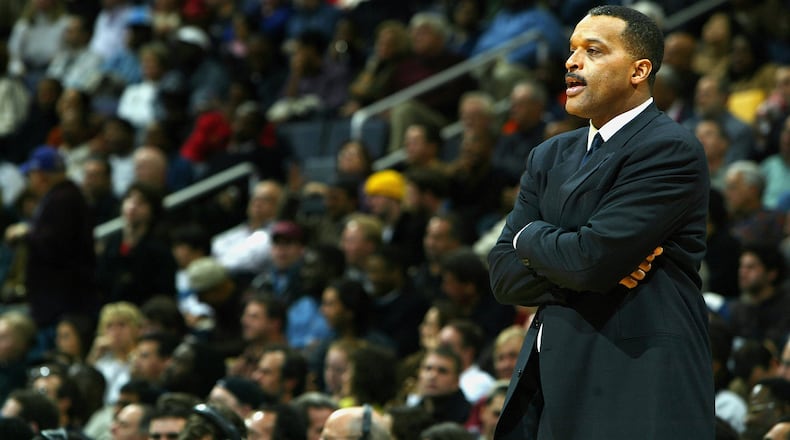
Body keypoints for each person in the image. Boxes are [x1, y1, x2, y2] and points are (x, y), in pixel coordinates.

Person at [487, 6, 714, 439]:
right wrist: (578, 260)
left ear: (638, 71)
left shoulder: (669, 147)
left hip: (636, 378)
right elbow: (503, 277)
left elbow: (591, 261)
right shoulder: (548, 155)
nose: (572, 62)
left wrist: (529, 237)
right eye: (572, 50)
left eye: (593, 51)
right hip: (551, 380)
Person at [4, 145, 96, 349]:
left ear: (41, 176)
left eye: (31, 175)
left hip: (61, 299)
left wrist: (26, 234)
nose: (30, 181)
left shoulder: (64, 199)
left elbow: (54, 244)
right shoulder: (61, 196)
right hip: (57, 297)